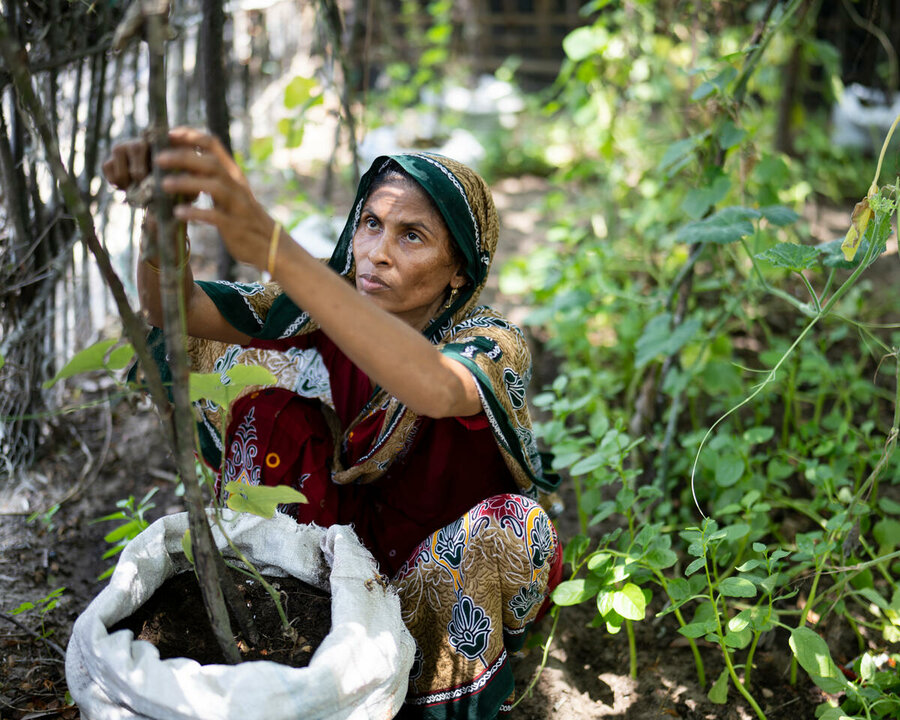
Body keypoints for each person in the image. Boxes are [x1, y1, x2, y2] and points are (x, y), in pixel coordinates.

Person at [103, 127, 562, 719]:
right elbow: (178, 310)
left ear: (458, 271)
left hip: (440, 579)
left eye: (412, 235)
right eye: (371, 223)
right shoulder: (319, 306)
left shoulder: (492, 343)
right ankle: (280, 637)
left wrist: (278, 250)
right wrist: (160, 221)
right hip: (336, 563)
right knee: (263, 385)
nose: (377, 251)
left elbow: (432, 386)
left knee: (513, 528)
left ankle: (433, 702)